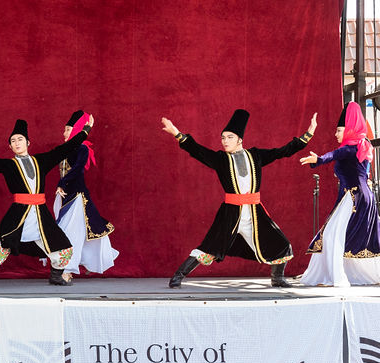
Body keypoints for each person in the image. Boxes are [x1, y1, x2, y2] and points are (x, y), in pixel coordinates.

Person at [162, 109, 316, 288]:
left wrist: (308, 134)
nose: (225, 141)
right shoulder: (221, 159)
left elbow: (282, 151)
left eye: (230, 137)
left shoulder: (255, 156)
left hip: (254, 214)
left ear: (240, 140)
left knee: (281, 244)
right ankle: (178, 275)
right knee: (210, 247)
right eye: (223, 138)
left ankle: (277, 278)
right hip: (230, 214)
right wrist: (177, 133)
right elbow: (197, 150)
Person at [0, 115, 93, 288]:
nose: (17, 143)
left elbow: (64, 149)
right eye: (13, 141)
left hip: (41, 216)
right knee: (3, 245)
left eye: (20, 139)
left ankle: (56, 276)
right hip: (19, 214)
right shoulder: (9, 165)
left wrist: (85, 131)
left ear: (28, 143)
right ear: (10, 146)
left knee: (63, 248)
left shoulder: (41, 161)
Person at [299, 102, 380, 285]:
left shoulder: (350, 148)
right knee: (346, 236)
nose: (335, 134)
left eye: (339, 130)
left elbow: (333, 155)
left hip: (354, 198)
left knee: (333, 235)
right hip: (361, 197)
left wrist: (318, 159)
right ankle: (344, 275)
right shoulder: (363, 145)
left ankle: (335, 276)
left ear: (349, 129)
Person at [54, 110, 118, 276]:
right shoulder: (65, 149)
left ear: (77, 130)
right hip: (67, 196)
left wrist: (61, 183)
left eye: (68, 129)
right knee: (73, 231)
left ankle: (68, 270)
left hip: (77, 198)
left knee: (72, 233)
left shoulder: (82, 149)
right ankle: (85, 261)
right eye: (65, 129)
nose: (64, 133)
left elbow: (77, 169)